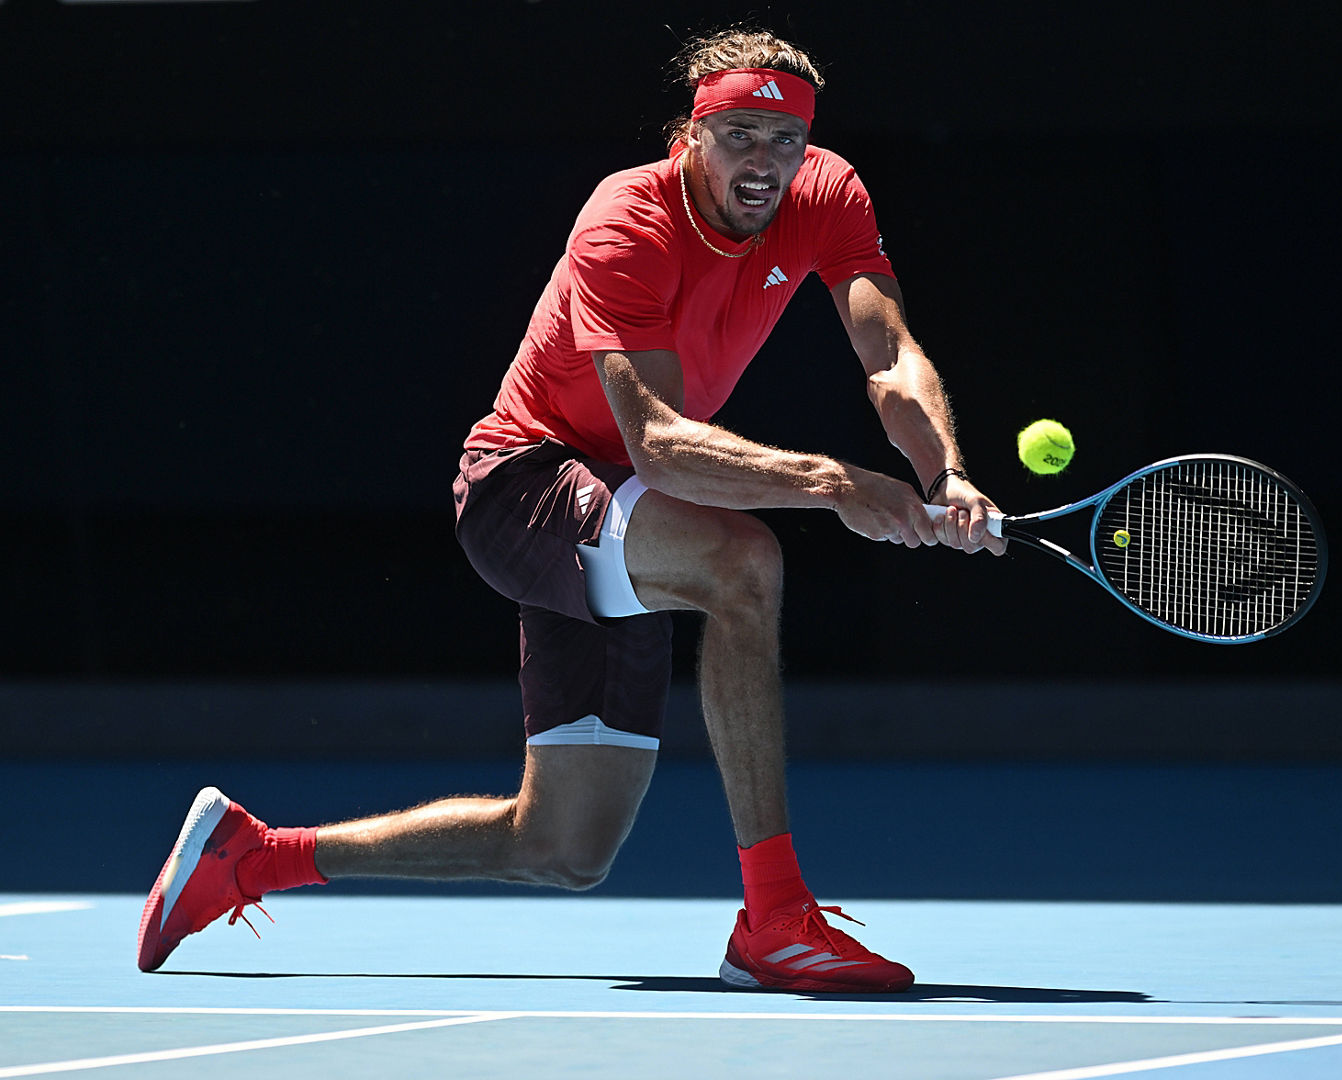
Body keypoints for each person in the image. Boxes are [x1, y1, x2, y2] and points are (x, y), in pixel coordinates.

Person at [136, 27, 1006, 993]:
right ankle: (775, 918)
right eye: (740, 137)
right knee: (742, 563)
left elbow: (891, 356)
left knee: (562, 846)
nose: (764, 161)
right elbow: (660, 442)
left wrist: (944, 476)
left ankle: (251, 858)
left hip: (628, 513)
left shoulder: (828, 194)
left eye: (785, 140)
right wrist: (837, 484)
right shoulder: (627, 219)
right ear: (692, 134)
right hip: (524, 484)